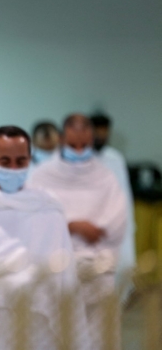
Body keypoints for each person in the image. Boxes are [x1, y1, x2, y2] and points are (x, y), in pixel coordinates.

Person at [0, 126, 90, 350]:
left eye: (20, 161)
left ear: (30, 160)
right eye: (5, 161)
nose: (13, 168)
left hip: (38, 322)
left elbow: (64, 277)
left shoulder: (48, 208)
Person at [28, 114, 127, 349]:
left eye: (85, 145)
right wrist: (72, 225)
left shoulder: (105, 176)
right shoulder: (42, 175)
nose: (79, 149)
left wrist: (91, 229)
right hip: (55, 268)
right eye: (73, 145)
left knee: (99, 334)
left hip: (97, 267)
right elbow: (34, 217)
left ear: (92, 140)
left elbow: (117, 220)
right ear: (62, 139)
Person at [91, 112, 136, 302]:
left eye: (104, 132)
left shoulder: (115, 158)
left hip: (116, 222)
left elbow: (124, 192)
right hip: (90, 224)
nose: (101, 136)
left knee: (122, 266)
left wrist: (129, 223)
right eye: (97, 132)